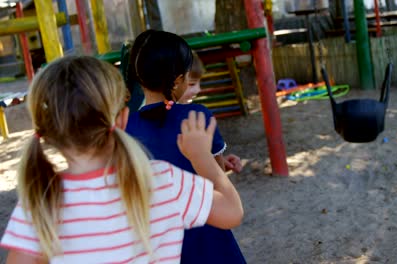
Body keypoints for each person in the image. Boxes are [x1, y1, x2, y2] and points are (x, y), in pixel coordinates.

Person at [0, 56, 243, 263]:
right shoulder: (162, 180)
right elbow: (232, 212)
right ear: (123, 119)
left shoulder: (40, 201)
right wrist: (203, 158)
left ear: (46, 132)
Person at [126, 30, 246, 263]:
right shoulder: (197, 116)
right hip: (208, 235)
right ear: (179, 79)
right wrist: (217, 162)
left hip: (160, 243)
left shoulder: (125, 128)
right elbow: (216, 182)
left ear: (139, 77)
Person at [178, 52, 243, 174]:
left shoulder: (139, 120)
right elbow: (218, 170)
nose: (198, 89)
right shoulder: (199, 115)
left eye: (198, 83)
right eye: (192, 84)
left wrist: (221, 161)